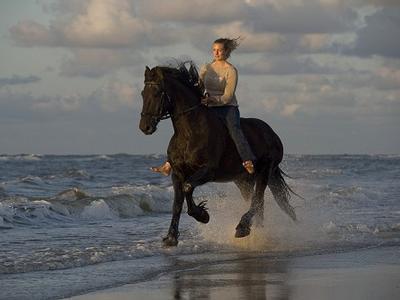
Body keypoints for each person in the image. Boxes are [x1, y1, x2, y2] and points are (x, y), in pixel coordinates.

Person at [151, 37, 256, 176]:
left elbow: (228, 96)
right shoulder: (206, 67)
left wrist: (212, 100)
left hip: (227, 107)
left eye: (220, 50)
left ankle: (247, 159)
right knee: (185, 129)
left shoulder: (231, 70)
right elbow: (198, 87)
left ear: (227, 51)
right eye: (214, 50)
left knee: (235, 130)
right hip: (207, 105)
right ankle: (169, 164)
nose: (216, 53)